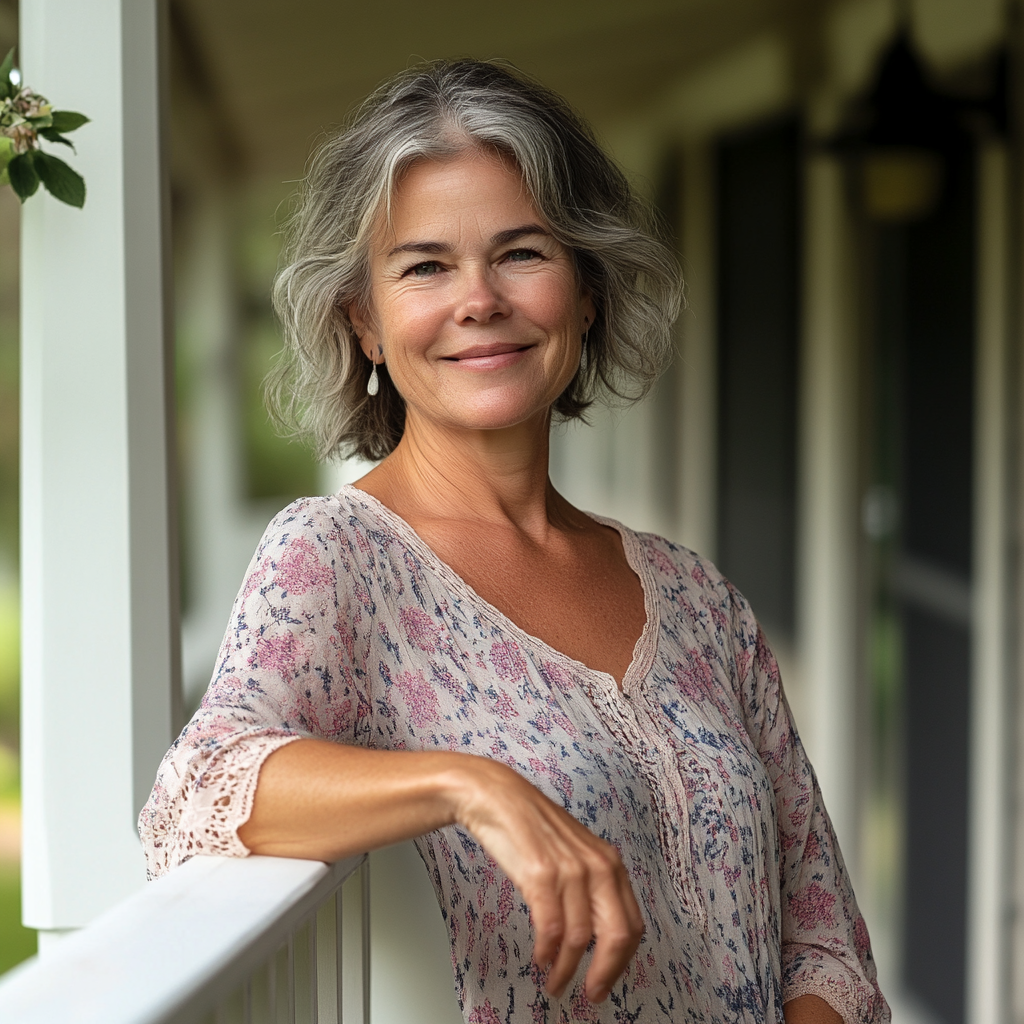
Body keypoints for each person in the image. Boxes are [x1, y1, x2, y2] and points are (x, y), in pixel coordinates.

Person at [140, 59, 888, 1024]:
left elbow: (824, 935)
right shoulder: (337, 558)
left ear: (585, 290)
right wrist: (470, 785)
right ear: (365, 323)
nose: (479, 300)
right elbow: (197, 795)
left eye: (523, 253)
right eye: (425, 266)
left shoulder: (695, 597)